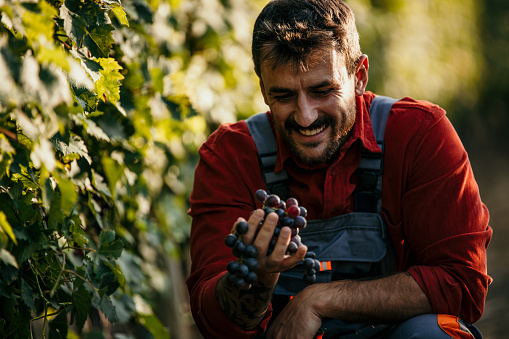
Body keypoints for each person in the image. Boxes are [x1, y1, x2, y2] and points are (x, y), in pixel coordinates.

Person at [186, 0, 492, 338]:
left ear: (359, 76)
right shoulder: (229, 156)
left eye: (322, 91)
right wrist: (255, 279)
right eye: (284, 96)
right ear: (262, 90)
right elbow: (212, 320)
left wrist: (319, 300)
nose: (306, 116)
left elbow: (462, 284)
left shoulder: (418, 134)